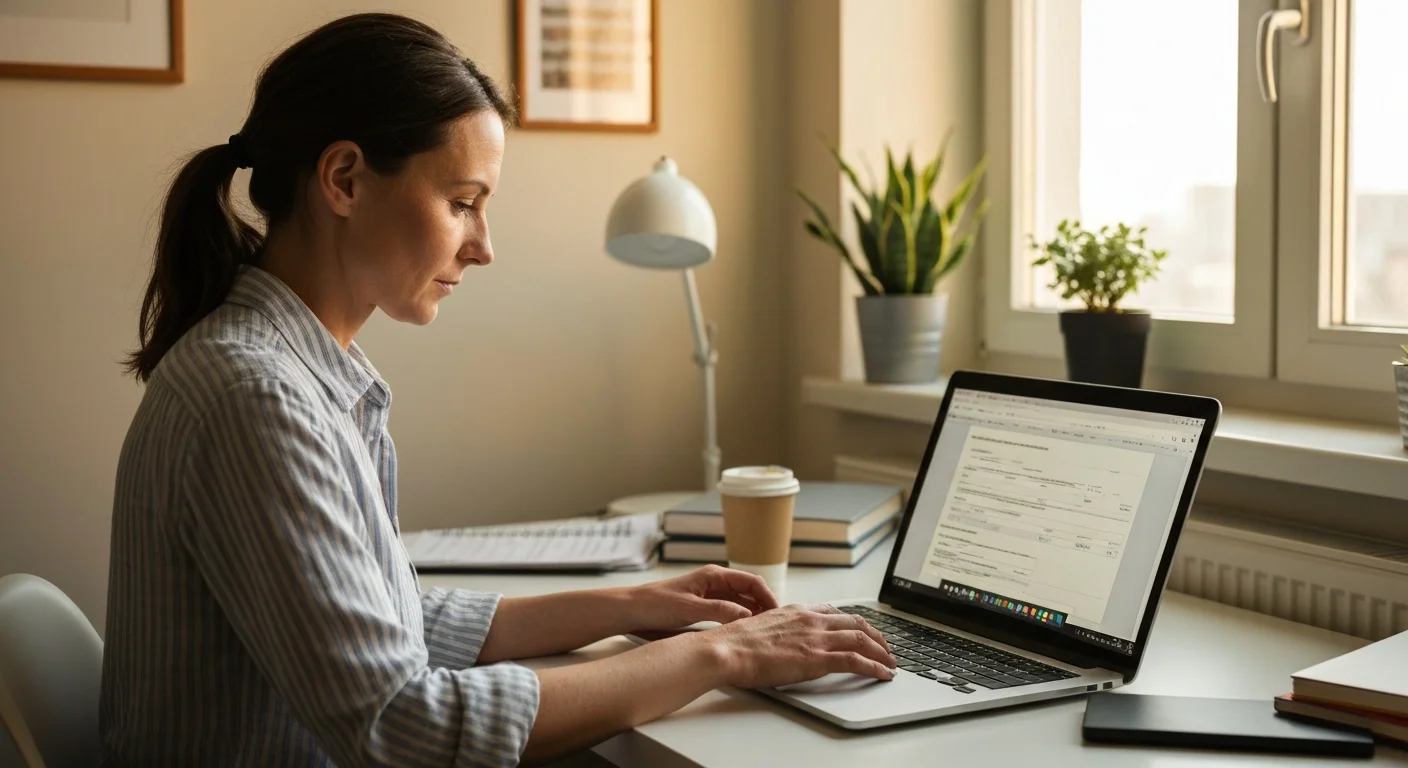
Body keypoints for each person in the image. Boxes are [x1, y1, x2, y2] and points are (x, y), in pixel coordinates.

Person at [100, 12, 896, 768]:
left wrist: (633, 606)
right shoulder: (257, 399)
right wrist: (723, 652)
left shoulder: (286, 374)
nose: (483, 247)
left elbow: (391, 625)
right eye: (462, 203)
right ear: (343, 178)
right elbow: (398, 726)